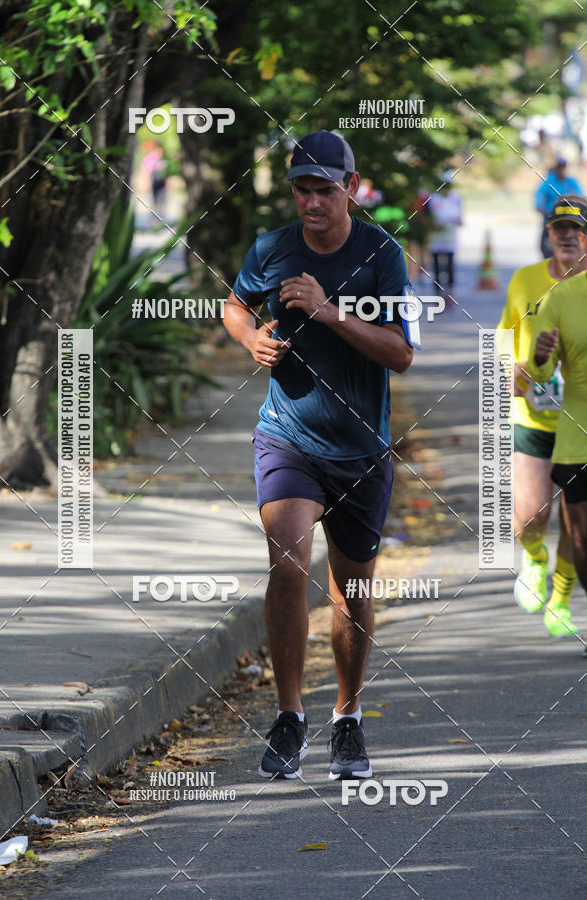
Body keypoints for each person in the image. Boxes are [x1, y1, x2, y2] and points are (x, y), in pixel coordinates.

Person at [222, 130, 414, 780]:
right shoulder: (272, 248)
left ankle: (348, 718)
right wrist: (251, 339)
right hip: (289, 436)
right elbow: (234, 305)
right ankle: (288, 714)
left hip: (361, 447)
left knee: (352, 588)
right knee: (287, 563)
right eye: (302, 189)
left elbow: (401, 354)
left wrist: (331, 315)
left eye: (324, 190)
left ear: (351, 190)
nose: (311, 202)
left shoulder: (381, 253)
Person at [499, 196, 587, 637]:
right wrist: (508, 367)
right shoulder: (524, 281)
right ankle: (534, 557)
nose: (568, 236)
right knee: (531, 516)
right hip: (532, 416)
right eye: (559, 228)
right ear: (548, 234)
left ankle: (562, 594)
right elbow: (501, 336)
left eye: (577, 228)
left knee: (578, 522)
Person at [526, 257, 587, 648]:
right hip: (576, 440)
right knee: (583, 541)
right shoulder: (562, 296)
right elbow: (541, 374)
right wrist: (542, 357)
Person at [535, 157, 582, 258]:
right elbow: (540, 195)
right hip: (551, 214)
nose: (561, 170)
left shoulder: (571, 181)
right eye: (559, 168)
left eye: (563, 168)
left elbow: (580, 195)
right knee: (547, 233)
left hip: (568, 214)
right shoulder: (549, 182)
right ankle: (547, 254)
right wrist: (540, 206)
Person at [427, 173, 462, 295]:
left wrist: (453, 221)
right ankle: (437, 293)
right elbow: (429, 217)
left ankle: (450, 292)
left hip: (450, 237)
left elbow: (460, 218)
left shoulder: (456, 198)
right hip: (436, 237)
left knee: (450, 266)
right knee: (436, 267)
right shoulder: (433, 198)